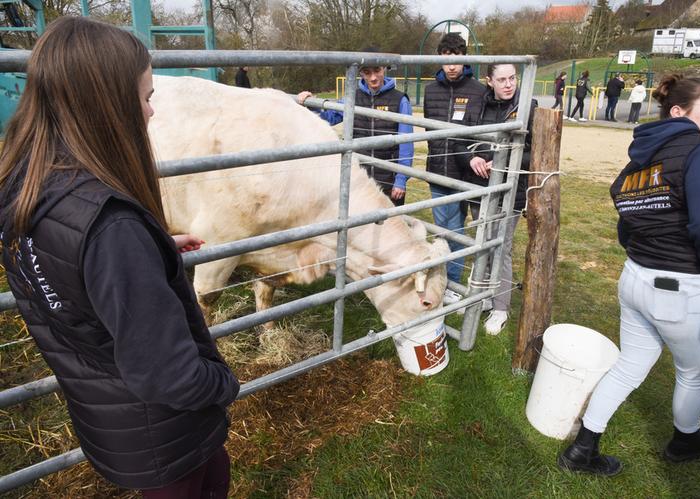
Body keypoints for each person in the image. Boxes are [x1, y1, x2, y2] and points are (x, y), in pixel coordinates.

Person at [0, 17, 240, 497]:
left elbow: (67, 266)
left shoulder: (24, 183)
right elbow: (171, 376)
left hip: (110, 418)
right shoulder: (111, 228)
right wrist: (224, 383)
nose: (151, 112)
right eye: (146, 96)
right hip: (167, 434)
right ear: (105, 104)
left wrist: (145, 251)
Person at [558, 74, 700, 476]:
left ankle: (582, 449)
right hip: (686, 287)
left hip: (637, 279)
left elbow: (623, 206)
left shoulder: (642, 156)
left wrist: (644, 249)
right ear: (679, 112)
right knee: (693, 374)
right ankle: (685, 439)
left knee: (629, 366)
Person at [456, 64, 537, 334]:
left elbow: (537, 151)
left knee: (501, 247)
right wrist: (472, 158)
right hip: (481, 189)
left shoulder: (529, 107)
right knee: (483, 244)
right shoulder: (478, 105)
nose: (508, 84)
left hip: (510, 190)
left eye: (512, 78)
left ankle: (501, 306)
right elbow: (459, 141)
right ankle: (483, 296)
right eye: (501, 79)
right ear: (489, 81)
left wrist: (499, 161)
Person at [297, 51, 414, 206]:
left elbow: (406, 143)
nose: (373, 78)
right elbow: (329, 117)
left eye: (377, 70)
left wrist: (400, 180)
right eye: (367, 72)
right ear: (361, 73)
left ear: (384, 68)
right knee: (360, 226)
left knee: (389, 226)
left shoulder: (400, 100)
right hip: (359, 177)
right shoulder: (352, 98)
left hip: (388, 178)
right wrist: (311, 104)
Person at [423, 33, 485, 304]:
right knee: (445, 228)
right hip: (438, 169)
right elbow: (429, 130)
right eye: (445, 59)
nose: (451, 66)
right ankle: (448, 283)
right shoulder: (430, 90)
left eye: (456, 59)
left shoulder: (478, 90)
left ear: (464, 58)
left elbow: (481, 132)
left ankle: (453, 284)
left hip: (466, 172)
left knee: (456, 229)